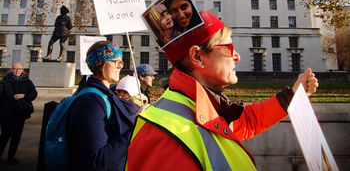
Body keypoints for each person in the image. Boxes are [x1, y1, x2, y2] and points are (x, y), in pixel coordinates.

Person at [126, 10, 319, 170]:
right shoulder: (165, 136)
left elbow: (248, 121)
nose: (237, 56)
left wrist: (293, 96)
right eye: (229, 47)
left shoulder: (202, 106)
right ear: (198, 57)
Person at [66, 41, 139, 170]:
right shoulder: (91, 102)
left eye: (121, 61)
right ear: (101, 64)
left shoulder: (104, 94)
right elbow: (97, 160)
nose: (121, 66)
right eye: (116, 62)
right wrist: (136, 128)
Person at [0, 62, 37, 165]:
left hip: (20, 113)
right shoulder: (4, 82)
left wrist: (24, 96)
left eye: (19, 69)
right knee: (4, 136)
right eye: (15, 69)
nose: (17, 71)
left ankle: (11, 157)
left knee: (16, 137)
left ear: (22, 70)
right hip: (6, 114)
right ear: (11, 69)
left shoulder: (27, 82)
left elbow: (34, 94)